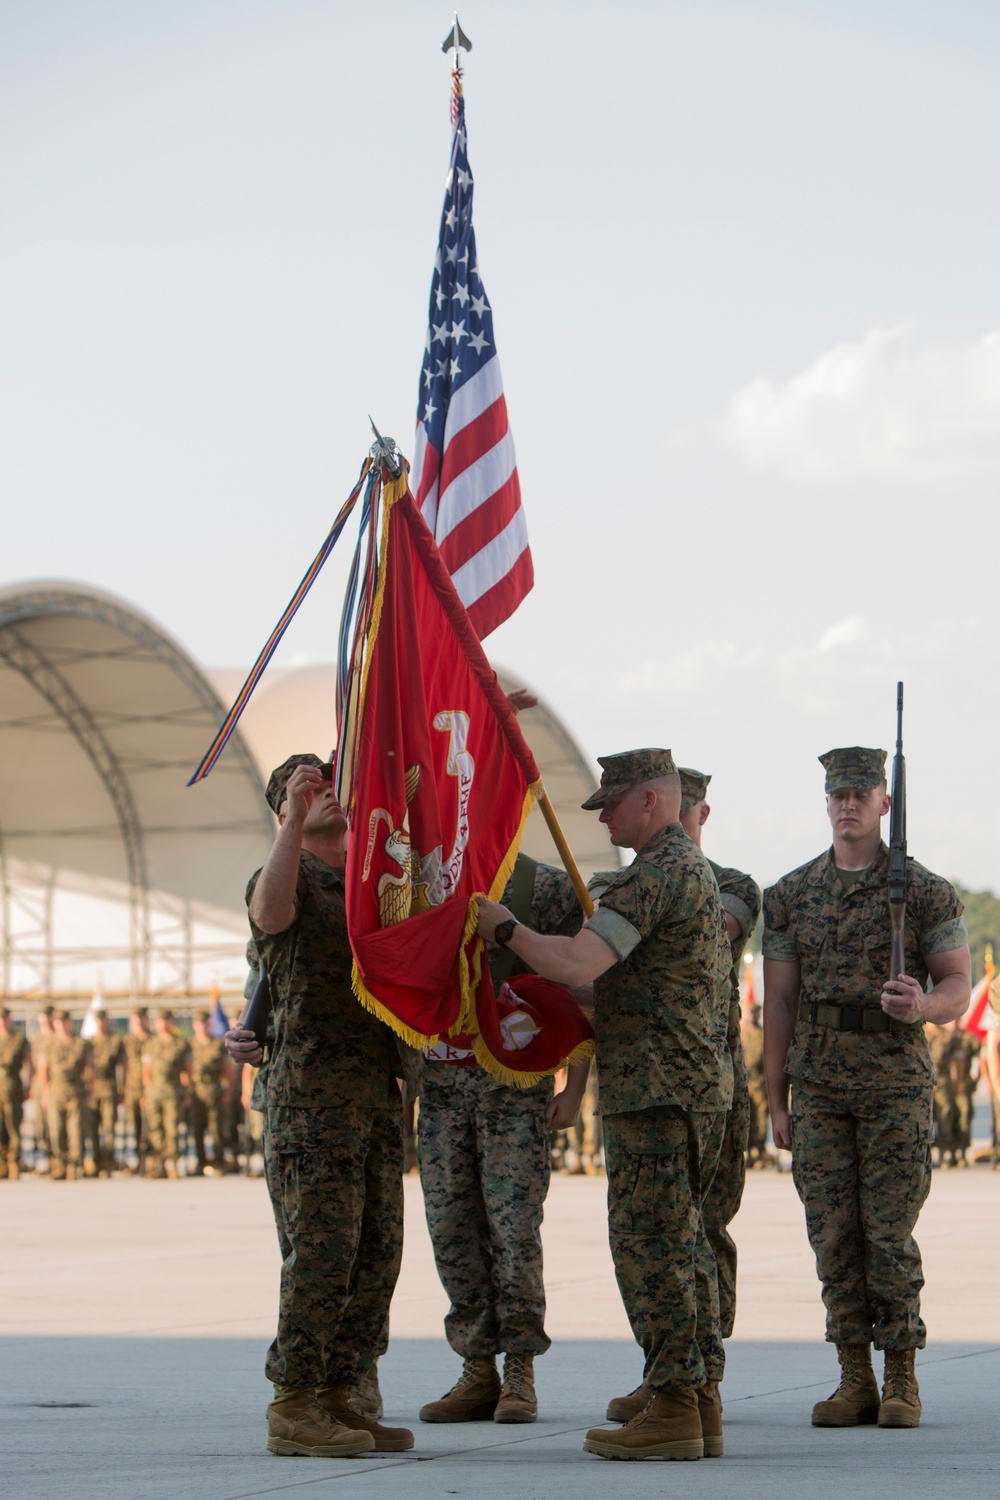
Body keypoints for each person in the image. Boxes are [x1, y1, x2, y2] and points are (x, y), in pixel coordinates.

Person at [476, 748, 733, 1462]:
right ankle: (698, 1398)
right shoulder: (690, 874)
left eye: (613, 804)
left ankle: (675, 1405)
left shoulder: (653, 875)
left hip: (654, 1091)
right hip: (689, 1087)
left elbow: (575, 963)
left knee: (651, 1248)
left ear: (650, 801)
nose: (605, 817)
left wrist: (503, 929)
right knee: (685, 1246)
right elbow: (626, 986)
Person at [763, 745, 971, 1430]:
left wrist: (925, 1007)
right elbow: (783, 1005)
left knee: (888, 1233)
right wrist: (775, 1097)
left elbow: (957, 986)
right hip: (819, 1084)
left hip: (893, 1083)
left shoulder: (924, 890)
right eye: (837, 794)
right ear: (827, 803)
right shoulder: (790, 895)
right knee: (832, 1235)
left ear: (885, 803)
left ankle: (901, 1376)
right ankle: (853, 1376)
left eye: (861, 793)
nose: (848, 804)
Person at [226, 753, 411, 1459]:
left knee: (375, 1256)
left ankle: (340, 1391)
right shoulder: (286, 872)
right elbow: (270, 918)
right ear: (284, 810)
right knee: (321, 1255)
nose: (325, 789)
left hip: (373, 1095)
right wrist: (292, 825)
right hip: (310, 1099)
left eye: (330, 780)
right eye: (304, 786)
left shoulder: (371, 880)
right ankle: (295, 1402)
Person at [600, 765, 761, 1425]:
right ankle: (673, 1376)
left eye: (689, 812)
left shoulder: (725, 886)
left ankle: (700, 1381)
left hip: (703, 1081)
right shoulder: (631, 885)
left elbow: (702, 934)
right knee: (671, 1237)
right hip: (665, 1077)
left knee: (696, 1233)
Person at [417, 854, 588, 1427]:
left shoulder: (543, 885)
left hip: (514, 1079)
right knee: (450, 1227)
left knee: (513, 1225)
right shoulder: (417, 872)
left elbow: (580, 982)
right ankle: (476, 1367)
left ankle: (519, 1368)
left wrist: (577, 1082)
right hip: (440, 1081)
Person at [41, 1010, 90, 1182]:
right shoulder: (50, 1044)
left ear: (70, 1022)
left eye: (64, 1021)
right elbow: (43, 1070)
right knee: (56, 1131)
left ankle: (74, 1166)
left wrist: (89, 1090)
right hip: (55, 1092)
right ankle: (59, 1165)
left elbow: (90, 1069)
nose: (61, 1025)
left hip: (75, 1092)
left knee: (75, 1131)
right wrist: (45, 1093)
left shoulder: (81, 1043)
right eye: (58, 1021)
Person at [142, 1010, 190, 1179]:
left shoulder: (180, 1044)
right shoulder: (150, 1043)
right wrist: (146, 1093)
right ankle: (158, 1163)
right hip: (154, 1092)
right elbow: (146, 1071)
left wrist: (187, 1093)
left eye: (165, 1020)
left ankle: (172, 1164)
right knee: (155, 1128)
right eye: (159, 1021)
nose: (162, 1024)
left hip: (173, 1091)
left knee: (172, 1128)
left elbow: (187, 1071)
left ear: (172, 1022)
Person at [189, 1011, 229, 1175]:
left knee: (215, 1129)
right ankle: (200, 1162)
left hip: (213, 1091)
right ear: (194, 1025)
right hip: (195, 1092)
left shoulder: (217, 1044)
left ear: (209, 1024)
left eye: (204, 1023)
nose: (202, 1026)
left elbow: (227, 1071)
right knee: (197, 1128)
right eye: (198, 1023)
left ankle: (218, 1162)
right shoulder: (190, 1044)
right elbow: (185, 1069)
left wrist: (227, 1090)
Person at [87, 1009, 124, 1176]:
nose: (101, 1022)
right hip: (92, 1089)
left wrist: (122, 1088)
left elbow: (123, 1067)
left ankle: (108, 1161)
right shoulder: (88, 1042)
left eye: (103, 1019)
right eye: (98, 1020)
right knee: (92, 1128)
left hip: (109, 1087)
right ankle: (95, 1161)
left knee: (109, 1127)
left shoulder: (115, 1040)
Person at [0, 1008, 29, 1180]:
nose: (3, 1022)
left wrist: (27, 1087)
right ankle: (2, 1162)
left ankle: (14, 1162)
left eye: (5, 1018)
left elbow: (29, 1064)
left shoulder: (18, 1039)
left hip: (12, 1087)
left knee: (13, 1126)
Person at [123, 1008, 151, 1174]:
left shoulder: (153, 1039)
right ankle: (139, 1161)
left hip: (150, 1089)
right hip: (132, 1089)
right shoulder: (127, 1041)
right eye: (135, 1019)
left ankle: (150, 1162)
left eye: (141, 1018)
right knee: (135, 1127)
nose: (139, 1022)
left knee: (150, 1126)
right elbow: (124, 1068)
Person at [741, 1003, 769, 1164]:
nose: (752, 1016)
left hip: (759, 1083)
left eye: (755, 1013)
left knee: (760, 1118)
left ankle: (760, 1150)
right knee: (745, 1117)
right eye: (749, 1013)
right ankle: (747, 1151)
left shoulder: (764, 1035)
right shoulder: (741, 1034)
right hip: (744, 1082)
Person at [29, 1005, 55, 1171]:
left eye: (48, 1015)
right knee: (40, 1125)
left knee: (55, 1125)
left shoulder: (57, 1038)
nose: (45, 1019)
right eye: (42, 1015)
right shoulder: (36, 1039)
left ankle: (56, 1160)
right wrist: (31, 1085)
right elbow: (32, 1064)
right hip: (39, 1085)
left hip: (54, 1086)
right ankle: (45, 1159)